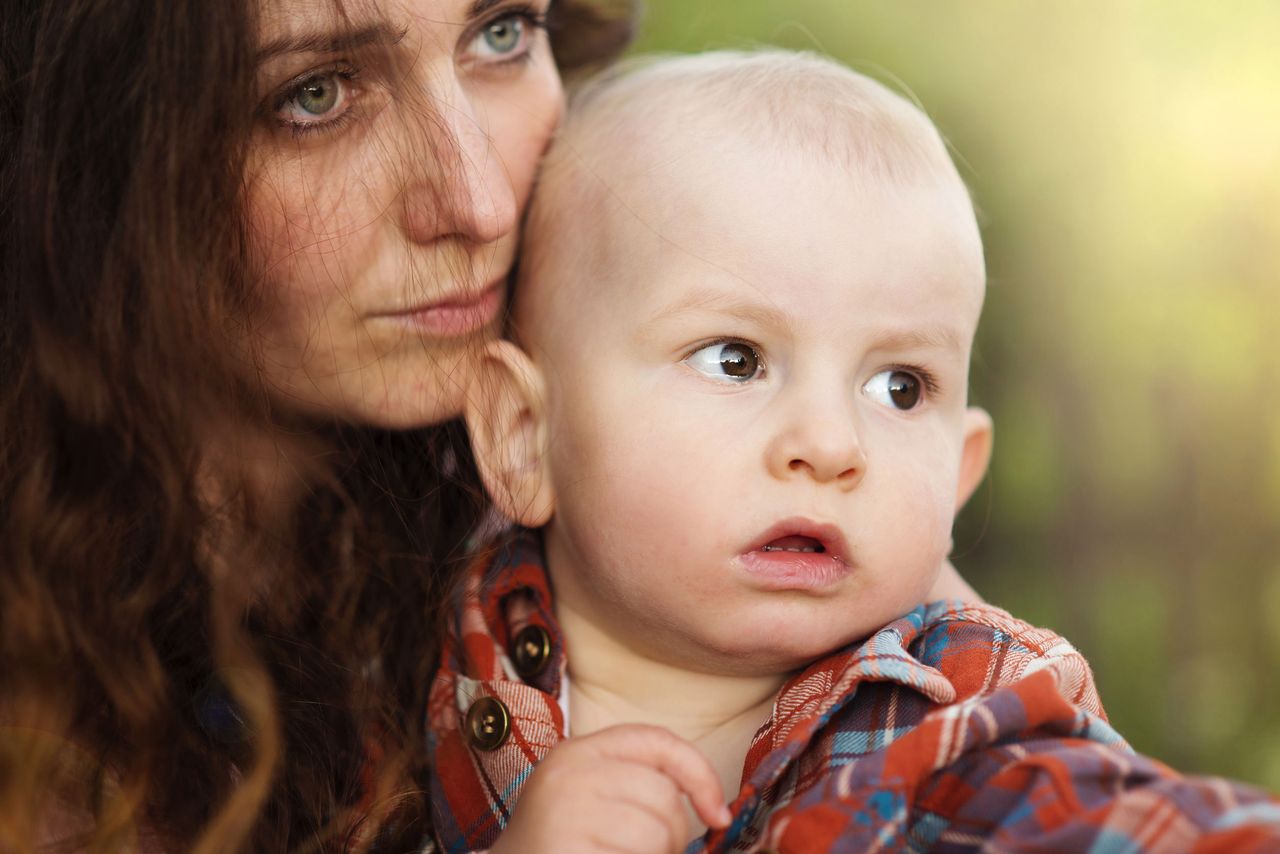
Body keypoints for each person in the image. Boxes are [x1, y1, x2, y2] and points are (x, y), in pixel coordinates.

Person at [429, 50, 1280, 852]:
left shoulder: (958, 718)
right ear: (523, 436)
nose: (831, 446)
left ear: (958, 476)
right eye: (737, 360)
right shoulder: (411, 639)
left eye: (899, 388)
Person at [0, 0, 639, 849]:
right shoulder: (40, 744)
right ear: (85, 158)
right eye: (314, 94)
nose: (479, 205)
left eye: (503, 33)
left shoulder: (597, 523)